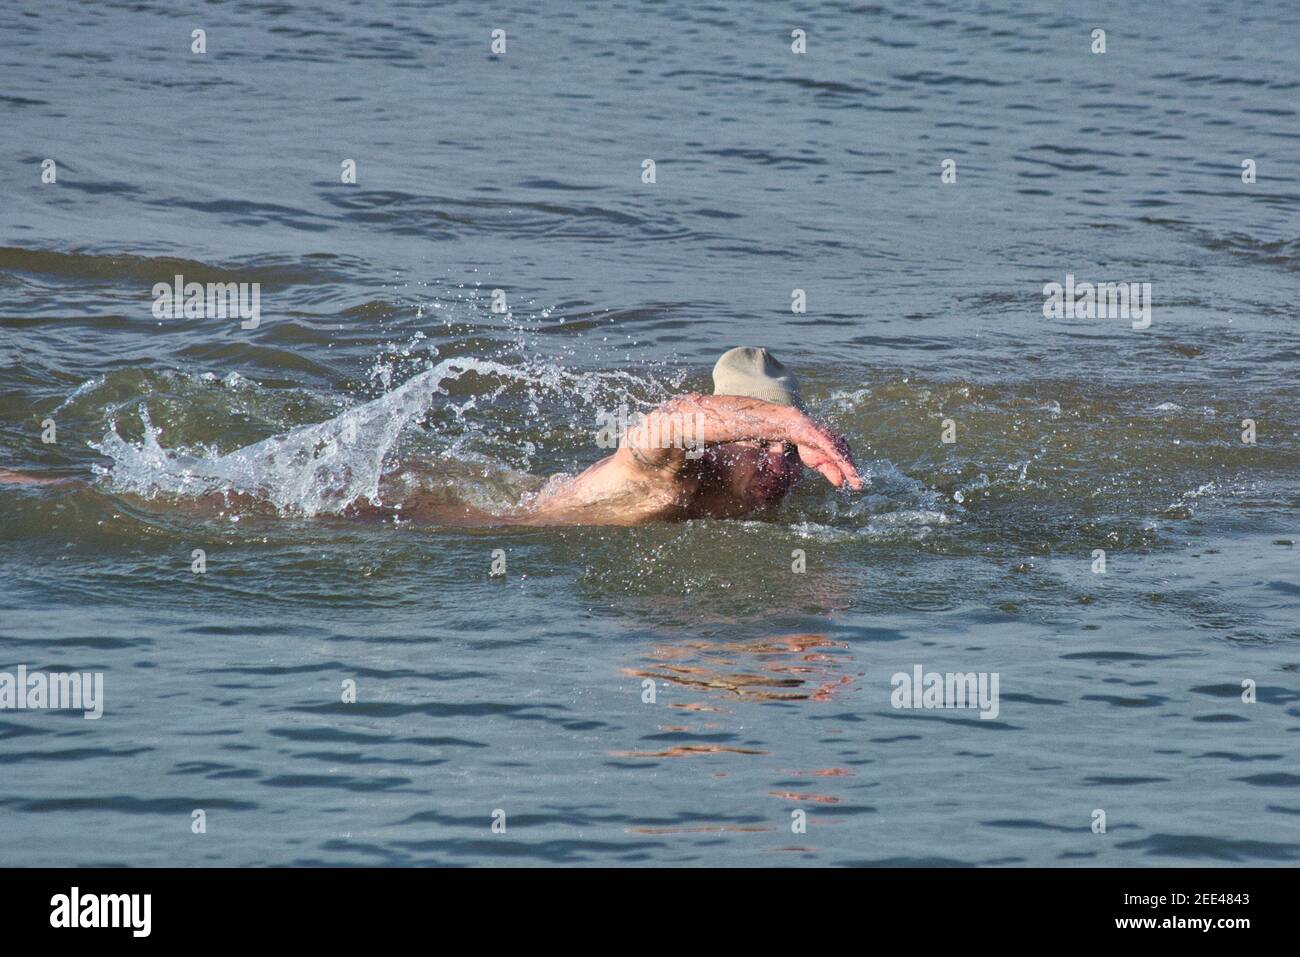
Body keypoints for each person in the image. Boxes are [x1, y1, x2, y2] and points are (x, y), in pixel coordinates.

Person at [0, 347, 862, 526]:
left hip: (466, 483)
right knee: (204, 498)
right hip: (425, 515)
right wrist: (784, 417)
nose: (783, 464)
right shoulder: (670, 477)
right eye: (769, 444)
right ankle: (35, 484)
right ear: (729, 433)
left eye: (793, 451)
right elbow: (658, 424)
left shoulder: (752, 495)